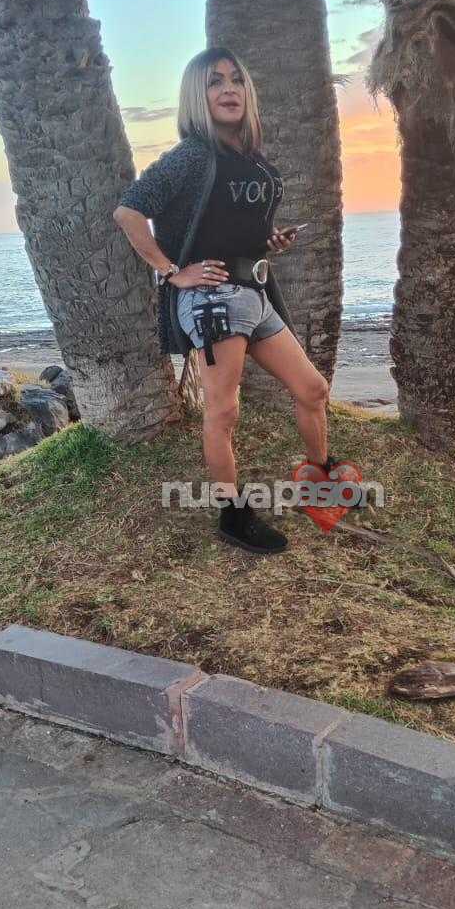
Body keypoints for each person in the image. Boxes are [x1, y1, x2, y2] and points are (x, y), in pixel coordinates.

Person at [114, 47, 338, 555]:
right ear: (198, 96)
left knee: (313, 389)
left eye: (236, 80)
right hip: (213, 300)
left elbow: (235, 225)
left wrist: (268, 241)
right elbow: (128, 212)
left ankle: (321, 480)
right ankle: (232, 516)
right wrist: (172, 272)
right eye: (214, 82)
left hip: (254, 294)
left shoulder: (251, 159)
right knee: (224, 411)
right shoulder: (194, 156)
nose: (229, 89)